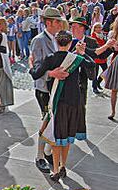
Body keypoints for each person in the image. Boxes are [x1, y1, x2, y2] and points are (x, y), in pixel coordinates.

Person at [29, 30, 93, 181]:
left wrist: (31, 63)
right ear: (71, 43)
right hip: (75, 102)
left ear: (56, 42)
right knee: (68, 137)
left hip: (59, 102)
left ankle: (56, 169)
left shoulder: (51, 58)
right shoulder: (75, 58)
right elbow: (91, 65)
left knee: (57, 137)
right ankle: (63, 166)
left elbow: (35, 74)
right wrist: (82, 53)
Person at [30, 7, 69, 173]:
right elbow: (37, 67)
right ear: (48, 22)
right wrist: (51, 73)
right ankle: (40, 156)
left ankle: (47, 152)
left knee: (53, 121)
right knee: (46, 121)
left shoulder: (59, 38)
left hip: (56, 87)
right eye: (57, 21)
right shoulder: (39, 40)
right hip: (44, 88)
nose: (60, 23)